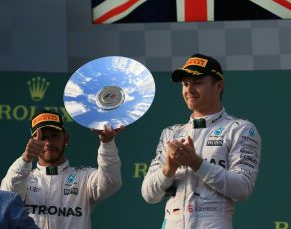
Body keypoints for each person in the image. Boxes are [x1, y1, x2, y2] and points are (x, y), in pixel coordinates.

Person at [141, 53, 261, 229]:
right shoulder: (171, 133)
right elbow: (148, 194)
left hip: (213, 223)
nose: (189, 90)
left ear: (219, 85)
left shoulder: (240, 129)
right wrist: (169, 169)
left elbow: (242, 189)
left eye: (197, 83)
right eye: (185, 84)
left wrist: (196, 163)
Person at [1, 110, 123, 229]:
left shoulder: (84, 178)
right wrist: (25, 159)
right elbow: (7, 194)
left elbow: (111, 183)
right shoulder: (23, 178)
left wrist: (107, 143)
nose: (48, 142)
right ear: (31, 141)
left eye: (54, 136)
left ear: (66, 138)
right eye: (42, 137)